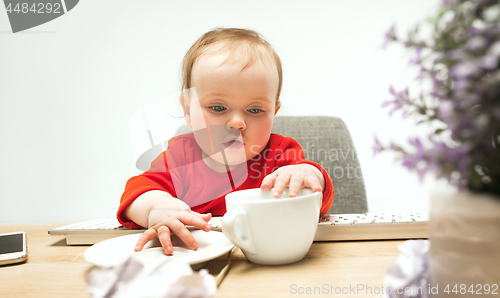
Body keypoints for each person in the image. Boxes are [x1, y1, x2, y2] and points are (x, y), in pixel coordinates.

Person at [117, 28, 334, 255]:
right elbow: (137, 193)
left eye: (255, 110)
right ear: (189, 111)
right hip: (197, 258)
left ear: (274, 112)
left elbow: (318, 200)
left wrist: (308, 174)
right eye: (218, 108)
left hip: (268, 257)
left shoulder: (280, 153)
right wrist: (157, 209)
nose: (237, 122)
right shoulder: (179, 156)